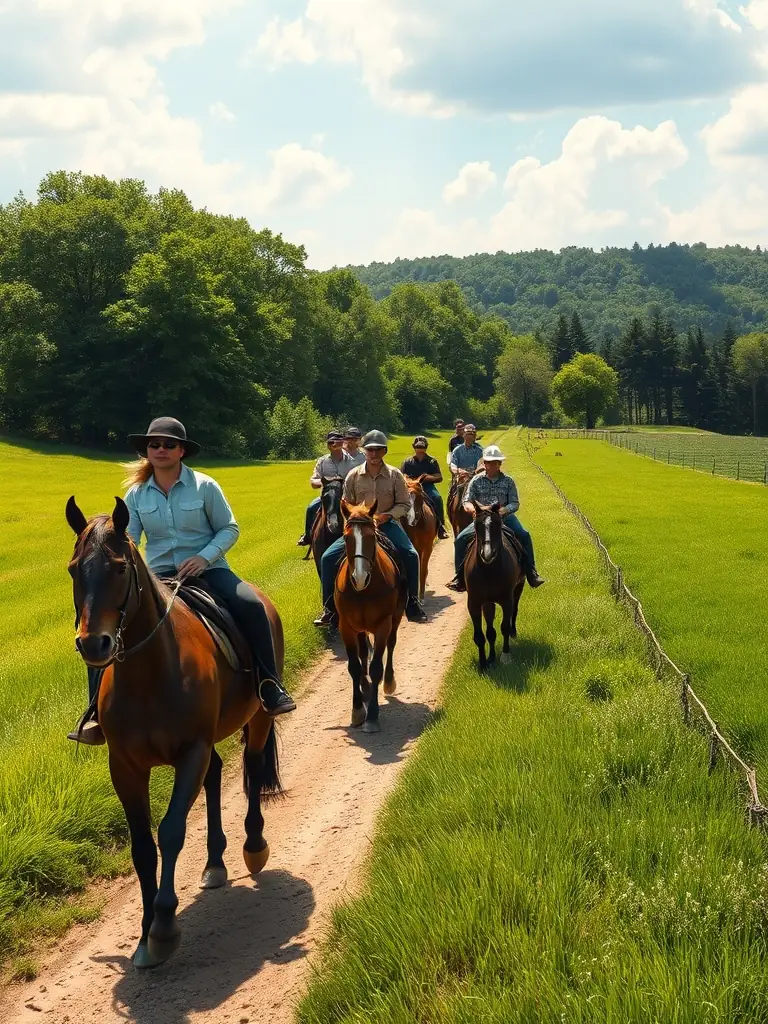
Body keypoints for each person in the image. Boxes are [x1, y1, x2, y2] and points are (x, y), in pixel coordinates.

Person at [68, 417, 295, 745]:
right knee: (101, 625)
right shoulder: (136, 495)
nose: (161, 449)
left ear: (182, 451)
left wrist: (203, 557)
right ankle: (96, 712)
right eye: (154, 444)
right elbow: (127, 542)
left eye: (168, 444)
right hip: (159, 577)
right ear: (146, 451)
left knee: (250, 604)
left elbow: (229, 528)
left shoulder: (205, 486)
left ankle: (268, 686)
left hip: (209, 571)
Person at [314, 430, 428, 627]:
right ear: (364, 451)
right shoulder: (353, 475)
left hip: (387, 524)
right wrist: (356, 517)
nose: (374, 454)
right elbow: (346, 503)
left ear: (384, 451)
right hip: (360, 527)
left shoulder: (395, 475)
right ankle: (329, 608)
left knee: (411, 555)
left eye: (378, 450)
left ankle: (412, 602)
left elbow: (404, 504)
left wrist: (387, 515)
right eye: (370, 450)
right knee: (327, 557)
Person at [447, 444, 545, 592]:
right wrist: (472, 509)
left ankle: (531, 572)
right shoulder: (476, 481)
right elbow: (466, 500)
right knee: (460, 539)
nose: (491, 465)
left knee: (524, 535)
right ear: (484, 463)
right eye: (488, 462)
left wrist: (504, 510)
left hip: (504, 518)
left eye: (494, 462)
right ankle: (459, 578)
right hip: (482, 520)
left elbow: (515, 503)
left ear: (499, 464)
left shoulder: (508, 481)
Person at [297, 430, 357, 546]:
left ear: (342, 443)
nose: (334, 445)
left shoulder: (352, 462)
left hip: (346, 497)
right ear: (327, 445)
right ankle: (308, 536)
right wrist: (324, 481)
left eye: (337, 442)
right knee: (311, 508)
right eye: (331, 442)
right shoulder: (322, 461)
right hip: (327, 496)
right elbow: (313, 481)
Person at [400, 436, 449, 540]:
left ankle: (440, 526)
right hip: (411, 487)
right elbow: (402, 475)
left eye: (422, 447)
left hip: (427, 486)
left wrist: (426, 478)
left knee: (437, 498)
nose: (420, 449)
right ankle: (399, 525)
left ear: (426, 448)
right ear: (414, 447)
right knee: (399, 500)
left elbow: (439, 476)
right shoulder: (407, 462)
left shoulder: (432, 461)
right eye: (418, 447)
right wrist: (412, 481)